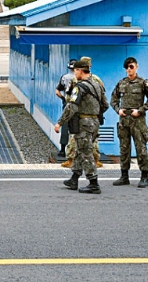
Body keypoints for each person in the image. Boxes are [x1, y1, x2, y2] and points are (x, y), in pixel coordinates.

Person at [55, 60, 108, 194]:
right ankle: (74, 178)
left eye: (75, 71)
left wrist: (60, 122)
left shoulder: (80, 87)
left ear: (80, 70)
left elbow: (71, 107)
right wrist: (94, 114)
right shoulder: (97, 85)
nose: (74, 73)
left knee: (86, 152)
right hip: (95, 122)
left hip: (84, 123)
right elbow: (105, 105)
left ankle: (93, 182)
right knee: (80, 149)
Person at [110, 57, 148, 188]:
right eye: (127, 68)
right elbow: (113, 100)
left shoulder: (143, 83)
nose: (129, 70)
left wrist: (140, 110)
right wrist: (118, 110)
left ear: (137, 66)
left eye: (131, 66)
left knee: (141, 148)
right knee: (124, 149)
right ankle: (124, 176)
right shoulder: (121, 83)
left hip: (138, 121)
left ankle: (144, 176)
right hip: (124, 120)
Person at [60, 56, 104, 169]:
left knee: (88, 141)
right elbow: (69, 95)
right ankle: (72, 162)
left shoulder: (95, 80)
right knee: (76, 139)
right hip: (83, 115)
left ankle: (92, 165)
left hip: (85, 115)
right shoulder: (76, 80)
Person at [54, 60, 76, 163]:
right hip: (78, 105)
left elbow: (57, 92)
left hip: (67, 104)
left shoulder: (64, 77)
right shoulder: (80, 78)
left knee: (65, 125)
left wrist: (63, 98)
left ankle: (63, 149)